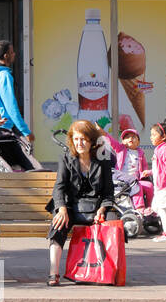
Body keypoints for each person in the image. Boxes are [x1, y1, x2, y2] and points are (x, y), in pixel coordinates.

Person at [45, 119, 120, 286]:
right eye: (76, 139)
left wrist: (103, 208)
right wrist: (61, 208)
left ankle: (108, 271)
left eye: (83, 139)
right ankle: (53, 272)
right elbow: (59, 187)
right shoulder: (66, 158)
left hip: (96, 207)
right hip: (71, 206)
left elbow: (108, 192)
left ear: (92, 141)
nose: (79, 143)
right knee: (58, 222)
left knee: (112, 221)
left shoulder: (103, 160)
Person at [0, 40, 32, 144]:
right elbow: (11, 107)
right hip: (4, 129)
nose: (14, 54)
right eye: (12, 52)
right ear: (6, 56)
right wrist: (26, 132)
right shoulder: (5, 76)